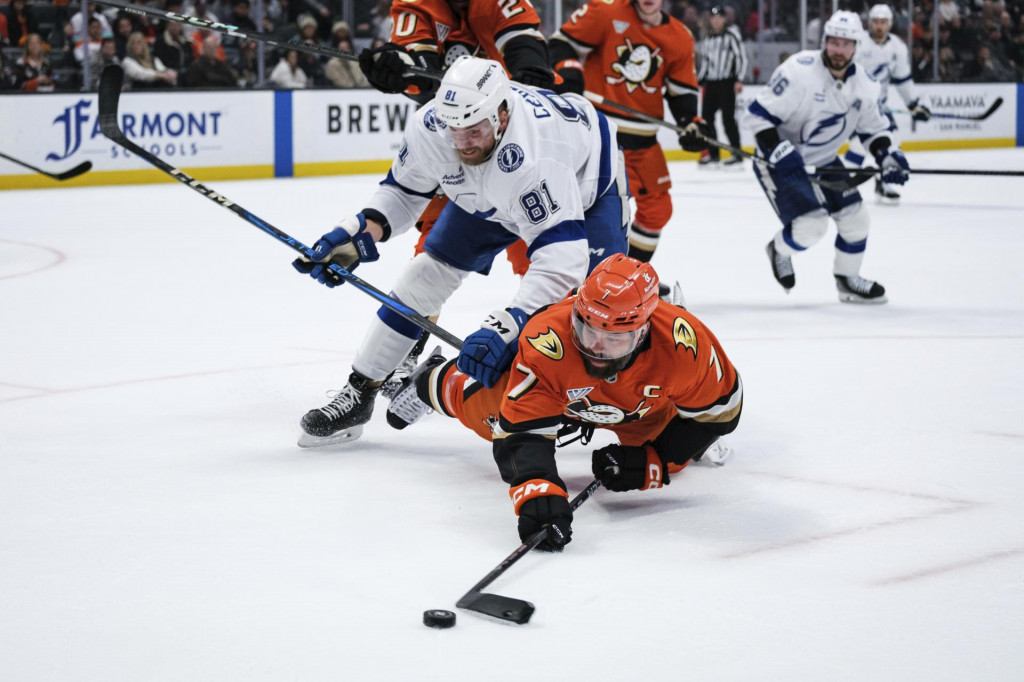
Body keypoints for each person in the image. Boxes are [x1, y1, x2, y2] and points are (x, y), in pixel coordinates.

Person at [290, 55, 630, 448]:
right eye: (456, 130)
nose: (463, 143)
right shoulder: (433, 127)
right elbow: (402, 192)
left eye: (473, 131)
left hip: (587, 180)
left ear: (502, 115)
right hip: (490, 195)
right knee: (423, 277)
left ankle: (667, 403)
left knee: (605, 309)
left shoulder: (537, 157)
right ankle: (360, 390)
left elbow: (560, 261)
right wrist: (356, 232)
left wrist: (509, 324)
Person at [385, 255, 742, 550]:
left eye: (613, 338)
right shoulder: (549, 339)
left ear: (644, 330)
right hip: (563, 393)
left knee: (673, 463)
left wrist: (657, 457)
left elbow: (721, 411)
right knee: (488, 415)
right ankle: (431, 378)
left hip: (639, 408)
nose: (596, 348)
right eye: (588, 330)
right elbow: (522, 431)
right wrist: (537, 490)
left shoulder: (685, 346)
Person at [356, 0, 559, 384]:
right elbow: (422, 77)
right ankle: (405, 351)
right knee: (431, 254)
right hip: (459, 143)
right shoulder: (416, 6)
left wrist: (532, 76)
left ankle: (558, 346)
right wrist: (394, 68)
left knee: (543, 256)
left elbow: (524, 45)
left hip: (516, 142)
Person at [745, 10, 910, 304]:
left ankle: (847, 280)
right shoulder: (798, 71)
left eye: (846, 44)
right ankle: (779, 250)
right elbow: (758, 117)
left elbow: (874, 131)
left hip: (823, 160)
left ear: (856, 46)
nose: (839, 50)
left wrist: (888, 157)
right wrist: (779, 150)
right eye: (834, 42)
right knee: (811, 226)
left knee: (857, 220)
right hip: (779, 160)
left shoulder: (865, 85)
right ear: (824, 41)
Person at [549, 0, 710, 264]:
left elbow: (682, 91)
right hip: (600, 135)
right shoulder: (605, 10)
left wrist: (690, 121)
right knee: (599, 213)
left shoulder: (680, 36)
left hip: (644, 141)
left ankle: (629, 273)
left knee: (658, 210)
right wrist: (570, 71)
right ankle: (586, 277)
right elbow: (560, 43)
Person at [847, 4, 930, 204]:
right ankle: (843, 186)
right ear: (870, 23)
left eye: (883, 22)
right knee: (858, 148)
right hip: (852, 106)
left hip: (878, 107)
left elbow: (903, 80)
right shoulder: (858, 43)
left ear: (890, 24)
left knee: (891, 145)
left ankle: (883, 184)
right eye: (876, 22)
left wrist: (914, 104)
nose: (879, 26)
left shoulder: (897, 47)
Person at [696, 5, 748, 169]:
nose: (716, 20)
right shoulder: (708, 38)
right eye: (713, 18)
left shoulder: (732, 35)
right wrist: (699, 80)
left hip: (727, 82)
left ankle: (737, 154)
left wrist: (739, 79)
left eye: (719, 17)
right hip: (711, 83)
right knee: (707, 119)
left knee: (728, 119)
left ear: (724, 19)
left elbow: (741, 58)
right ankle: (714, 154)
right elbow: (705, 62)